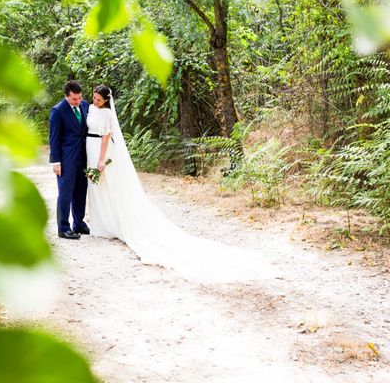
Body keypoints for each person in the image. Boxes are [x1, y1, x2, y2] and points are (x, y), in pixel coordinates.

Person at [86, 85, 277, 283]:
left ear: (106, 101)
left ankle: (111, 223)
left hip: (101, 151)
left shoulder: (108, 114)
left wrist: (101, 159)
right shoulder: (90, 108)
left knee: (107, 185)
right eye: (94, 98)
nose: (95, 101)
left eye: (99, 100)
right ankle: (100, 222)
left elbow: (107, 137)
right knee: (95, 187)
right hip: (88, 147)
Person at [49, 80, 91, 239]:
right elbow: (54, 138)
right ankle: (63, 228)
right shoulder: (58, 111)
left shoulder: (85, 105)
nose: (78, 101)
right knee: (65, 192)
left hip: (84, 156)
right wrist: (56, 162)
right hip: (66, 158)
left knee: (81, 189)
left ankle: (78, 223)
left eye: (80, 97)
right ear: (66, 96)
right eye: (75, 99)